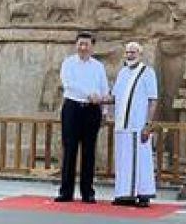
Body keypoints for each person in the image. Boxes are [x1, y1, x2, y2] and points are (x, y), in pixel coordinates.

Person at [56, 31, 109, 203]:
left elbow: (103, 88)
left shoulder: (98, 66)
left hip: (92, 110)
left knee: (89, 151)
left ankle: (88, 192)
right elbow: (68, 84)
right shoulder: (68, 63)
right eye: (80, 44)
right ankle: (66, 191)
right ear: (76, 45)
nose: (83, 47)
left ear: (92, 46)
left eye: (86, 44)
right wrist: (89, 94)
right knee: (70, 149)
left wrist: (105, 110)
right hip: (73, 107)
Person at [109, 42, 158, 207]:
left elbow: (153, 100)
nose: (130, 55)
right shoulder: (122, 73)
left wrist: (148, 124)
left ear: (140, 54)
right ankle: (124, 194)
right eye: (128, 52)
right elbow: (114, 97)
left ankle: (143, 194)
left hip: (139, 125)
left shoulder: (147, 72)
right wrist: (97, 98)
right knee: (123, 160)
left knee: (142, 160)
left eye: (133, 52)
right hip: (122, 125)